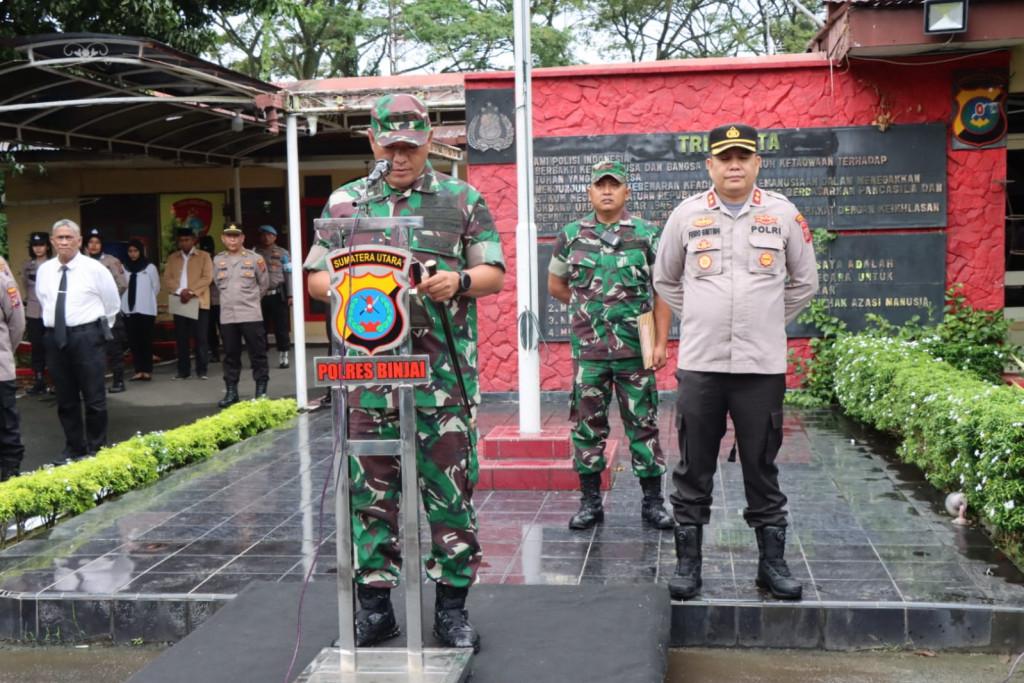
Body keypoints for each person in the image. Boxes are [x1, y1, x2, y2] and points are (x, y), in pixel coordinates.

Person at [305, 93, 505, 653]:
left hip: (441, 380)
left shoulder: (461, 198)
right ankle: (374, 612)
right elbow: (317, 279)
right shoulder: (346, 204)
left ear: (428, 143)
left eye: (411, 147)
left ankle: (451, 610)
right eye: (390, 146)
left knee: (450, 496)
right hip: (369, 377)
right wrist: (356, 283)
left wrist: (458, 282)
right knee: (371, 497)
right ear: (372, 141)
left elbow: (493, 271)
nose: (400, 157)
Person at [653, 123, 819, 601]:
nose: (733, 165)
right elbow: (665, 280)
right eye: (724, 157)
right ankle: (688, 566)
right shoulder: (685, 216)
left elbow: (805, 284)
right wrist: (702, 316)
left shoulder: (783, 215)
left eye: (742, 157)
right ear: (709, 164)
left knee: (761, 467)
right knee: (693, 466)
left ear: (756, 163)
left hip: (760, 369)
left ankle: (772, 566)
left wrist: (765, 319)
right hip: (702, 365)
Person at [547, 159, 673, 531]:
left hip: (636, 351)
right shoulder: (571, 235)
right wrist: (589, 313)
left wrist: (661, 342)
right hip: (590, 355)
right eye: (600, 185)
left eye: (613, 185)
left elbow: (662, 290)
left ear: (626, 192)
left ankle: (652, 503)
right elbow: (556, 285)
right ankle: (590, 503)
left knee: (644, 425)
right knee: (587, 427)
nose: (606, 191)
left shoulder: (647, 234)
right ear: (589, 191)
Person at [36, 219, 121, 464]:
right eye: (59, 238)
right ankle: (74, 446)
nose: (64, 242)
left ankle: (97, 448)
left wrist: (96, 333)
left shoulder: (95, 269)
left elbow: (112, 304)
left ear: (79, 241)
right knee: (65, 398)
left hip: (87, 337)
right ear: (52, 241)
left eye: (69, 237)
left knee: (94, 397)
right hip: (55, 338)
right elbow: (45, 301)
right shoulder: (45, 270)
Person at [214, 223, 269, 407]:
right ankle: (231, 392)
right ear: (223, 238)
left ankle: (260, 391)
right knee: (230, 355)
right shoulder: (217, 260)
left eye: (235, 236)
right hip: (228, 316)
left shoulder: (255, 259)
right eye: (228, 236)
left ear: (242, 238)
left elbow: (264, 284)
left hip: (251, 314)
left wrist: (250, 300)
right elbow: (216, 282)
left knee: (258, 354)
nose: (232, 239)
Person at [162, 227, 213, 381]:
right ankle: (183, 371)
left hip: (198, 301)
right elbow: (167, 278)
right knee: (181, 338)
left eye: (187, 240)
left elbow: (207, 278)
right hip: (179, 300)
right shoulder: (173, 258)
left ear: (194, 240)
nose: (184, 243)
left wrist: (190, 292)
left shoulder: (204, 256)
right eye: (181, 241)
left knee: (200, 338)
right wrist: (179, 291)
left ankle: (202, 370)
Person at [84, 229, 128, 393]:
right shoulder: (80, 262)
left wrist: (107, 300)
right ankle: (94, 384)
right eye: (91, 243)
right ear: (86, 245)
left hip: (109, 311)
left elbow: (122, 283)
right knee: (91, 348)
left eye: (98, 242)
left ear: (102, 245)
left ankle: (118, 381)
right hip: (88, 312)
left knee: (114, 346)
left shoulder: (112, 261)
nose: (94, 246)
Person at [0, 256, 26, 481]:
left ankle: (10, 474)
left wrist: (6, 350)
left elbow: (17, 324)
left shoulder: (2, 279)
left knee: (6, 426)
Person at [121, 239, 159, 382]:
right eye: (130, 251)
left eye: (135, 251)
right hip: (129, 309)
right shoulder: (124, 268)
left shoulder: (149, 268)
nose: (132, 254)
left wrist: (145, 299)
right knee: (133, 341)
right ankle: (138, 370)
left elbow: (155, 288)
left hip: (146, 309)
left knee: (146, 340)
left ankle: (147, 370)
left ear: (140, 251)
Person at [255, 224, 292, 369]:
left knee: (281, 327)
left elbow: (289, 274)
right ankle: (261, 356)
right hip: (259, 295)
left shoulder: (283, 253)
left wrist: (290, 294)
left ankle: (284, 355)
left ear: (275, 237)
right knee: (259, 328)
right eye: (263, 234)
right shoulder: (254, 252)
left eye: (269, 235)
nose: (266, 237)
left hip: (278, 295)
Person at [19, 232, 52, 395]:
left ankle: (55, 381)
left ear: (47, 246)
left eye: (41, 245)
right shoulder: (27, 265)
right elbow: (25, 285)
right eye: (35, 245)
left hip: (50, 310)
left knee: (53, 346)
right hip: (34, 311)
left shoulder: (53, 264)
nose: (38, 248)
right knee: (37, 346)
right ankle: (39, 380)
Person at [198, 235, 222, 363]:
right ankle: (214, 352)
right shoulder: (199, 260)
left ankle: (227, 352)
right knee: (209, 329)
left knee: (223, 327)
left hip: (218, 299)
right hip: (205, 300)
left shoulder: (218, 259)